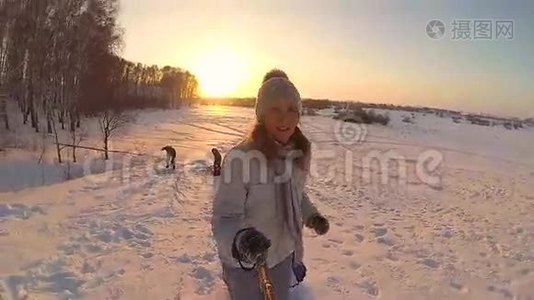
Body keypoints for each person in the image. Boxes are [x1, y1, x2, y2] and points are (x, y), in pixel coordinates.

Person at [211, 69, 330, 300]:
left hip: (282, 256)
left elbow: (296, 193)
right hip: (244, 264)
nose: (284, 118)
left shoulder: (298, 154)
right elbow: (224, 217)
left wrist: (311, 216)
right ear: (262, 113)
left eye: (291, 110)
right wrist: (242, 241)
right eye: (275, 109)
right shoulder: (241, 158)